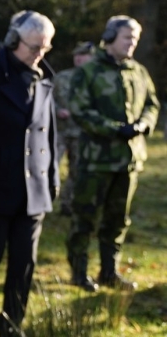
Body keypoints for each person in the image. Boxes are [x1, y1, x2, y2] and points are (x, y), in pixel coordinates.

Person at [0, 10, 59, 337]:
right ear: (13, 41)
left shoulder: (45, 79)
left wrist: (53, 180)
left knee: (24, 267)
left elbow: (50, 136)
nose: (39, 55)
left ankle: (12, 326)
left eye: (45, 48)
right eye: (34, 47)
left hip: (34, 194)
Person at [66, 16, 159, 292]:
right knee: (85, 217)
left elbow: (152, 104)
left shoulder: (139, 72)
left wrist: (144, 124)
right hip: (96, 160)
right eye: (126, 38)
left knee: (118, 220)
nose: (132, 44)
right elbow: (80, 110)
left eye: (135, 39)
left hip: (129, 161)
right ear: (109, 38)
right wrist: (116, 129)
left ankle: (109, 272)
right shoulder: (89, 71)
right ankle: (79, 273)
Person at [52, 41, 95, 216]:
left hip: (81, 133)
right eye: (76, 55)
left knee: (76, 171)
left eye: (83, 55)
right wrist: (57, 110)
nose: (79, 58)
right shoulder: (61, 77)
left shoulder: (94, 80)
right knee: (50, 167)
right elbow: (47, 100)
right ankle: (44, 201)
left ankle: (67, 204)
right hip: (60, 132)